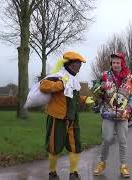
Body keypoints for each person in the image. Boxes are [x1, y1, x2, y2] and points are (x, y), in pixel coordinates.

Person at [39, 51, 94, 180]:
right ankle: (52, 173)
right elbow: (43, 86)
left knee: (75, 146)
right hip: (57, 118)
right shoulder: (58, 76)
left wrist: (84, 99)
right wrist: (60, 84)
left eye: (80, 64)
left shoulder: (74, 80)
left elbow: (72, 98)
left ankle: (73, 173)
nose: (78, 66)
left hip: (72, 119)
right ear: (68, 64)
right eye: (76, 63)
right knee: (54, 147)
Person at [93, 52, 132, 178]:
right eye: (113, 63)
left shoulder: (130, 78)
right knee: (107, 139)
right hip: (108, 114)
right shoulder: (104, 75)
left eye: (118, 62)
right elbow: (95, 89)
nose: (115, 65)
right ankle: (102, 162)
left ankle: (124, 166)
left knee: (123, 141)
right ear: (111, 63)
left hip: (123, 116)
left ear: (122, 63)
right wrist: (100, 87)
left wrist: (130, 109)